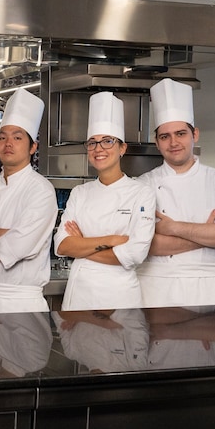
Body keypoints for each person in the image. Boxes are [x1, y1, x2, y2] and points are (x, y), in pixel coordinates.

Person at [136, 79, 215, 307]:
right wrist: (207, 234)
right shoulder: (142, 185)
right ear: (156, 142)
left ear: (194, 134)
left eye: (180, 133)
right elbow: (144, 245)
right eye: (165, 136)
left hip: (209, 289)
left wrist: (173, 228)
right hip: (156, 290)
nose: (173, 142)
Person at [54, 91, 156, 309]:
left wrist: (82, 246)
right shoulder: (80, 193)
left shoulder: (141, 193)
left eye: (107, 141)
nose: (98, 149)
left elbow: (136, 253)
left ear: (122, 148)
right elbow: (62, 246)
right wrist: (112, 240)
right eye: (92, 143)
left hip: (120, 298)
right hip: (79, 296)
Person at [0, 87, 57, 314]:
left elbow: (13, 248)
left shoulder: (41, 191)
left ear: (33, 147)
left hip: (18, 305)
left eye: (17, 137)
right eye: (2, 137)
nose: (8, 143)